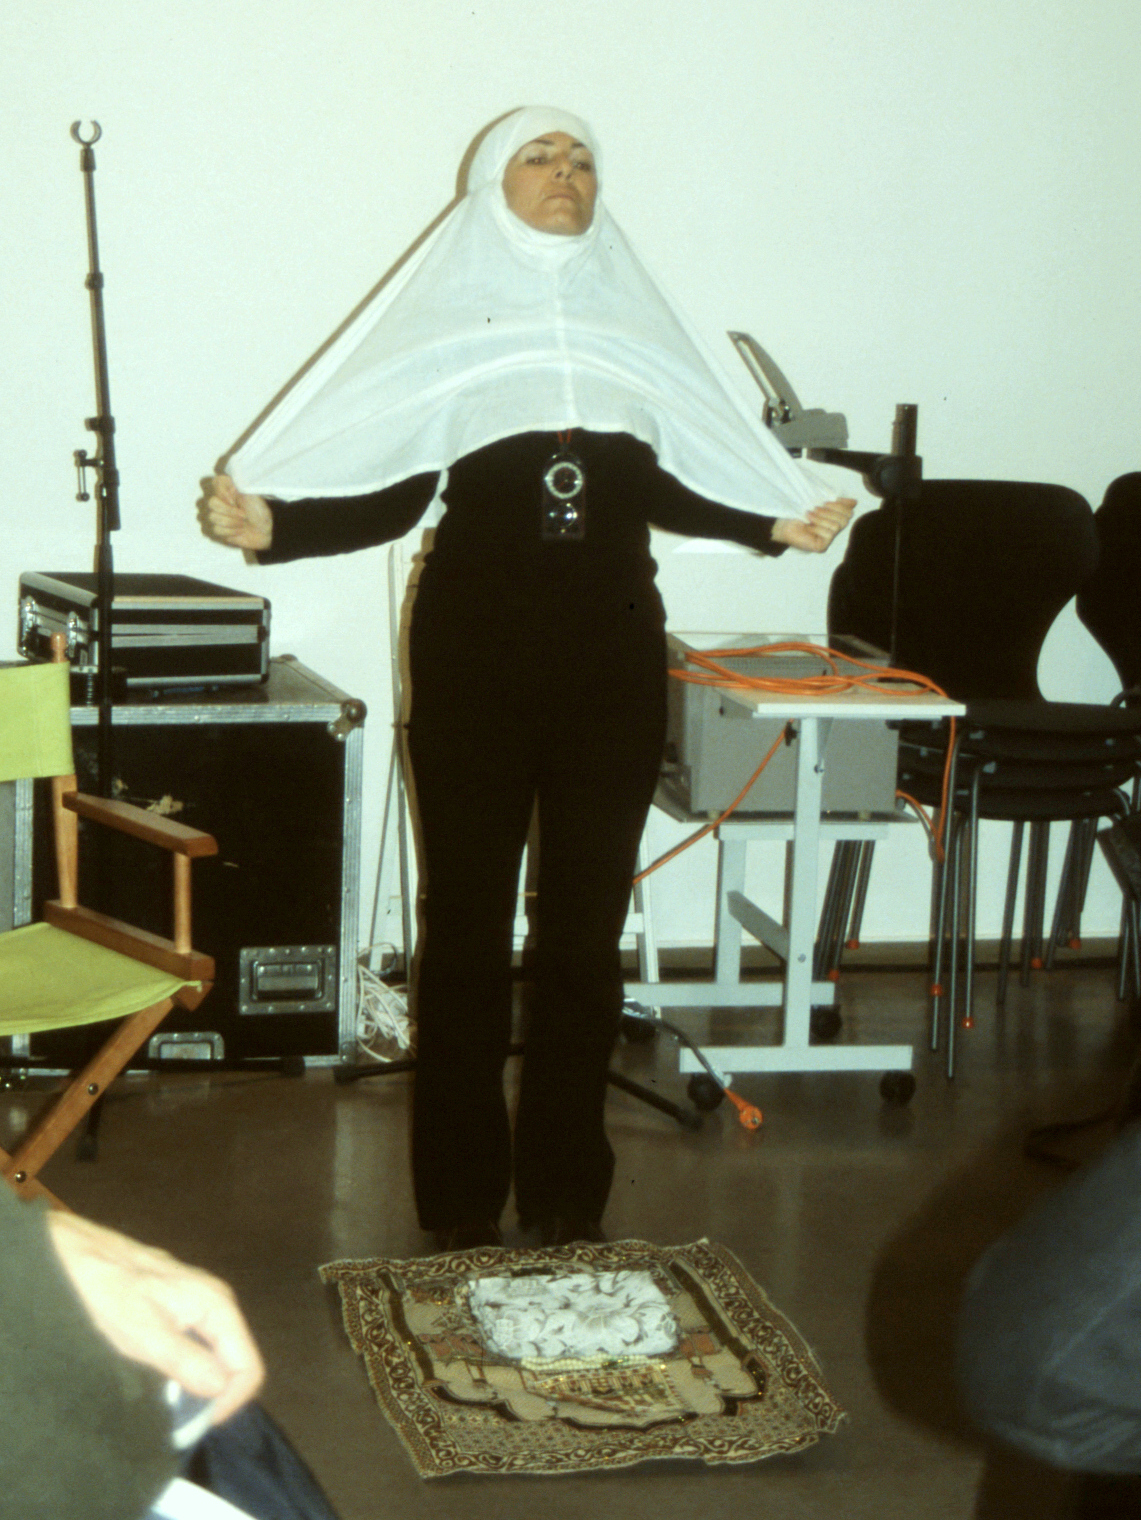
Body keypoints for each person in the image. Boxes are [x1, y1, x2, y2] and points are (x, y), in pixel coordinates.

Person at [199, 107, 854, 1252]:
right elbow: (397, 491)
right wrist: (277, 527)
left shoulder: (632, 333)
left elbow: (663, 485)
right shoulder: (452, 333)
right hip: (474, 657)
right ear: (488, 190)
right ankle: (459, 1198)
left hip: (611, 658)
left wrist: (771, 523)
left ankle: (564, 1192)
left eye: (582, 158)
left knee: (584, 932)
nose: (566, 173)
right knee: (463, 927)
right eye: (540, 157)